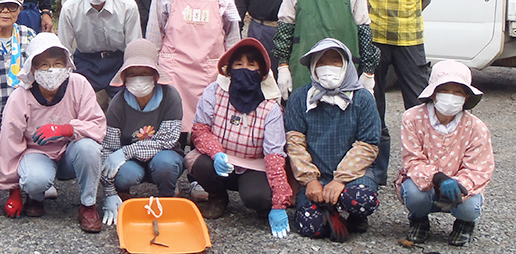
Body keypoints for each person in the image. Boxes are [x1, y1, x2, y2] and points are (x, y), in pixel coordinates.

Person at [348, 0, 438, 186]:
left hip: (410, 41)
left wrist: (404, 17)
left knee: (420, 105)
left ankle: (422, 170)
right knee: (372, 106)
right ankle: (377, 170)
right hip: (370, 40)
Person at [0, 33, 106, 233]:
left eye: (57, 63)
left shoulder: (78, 84)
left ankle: (88, 205)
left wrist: (66, 129)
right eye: (44, 65)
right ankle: (35, 196)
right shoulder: (20, 96)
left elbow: (97, 126)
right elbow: (9, 144)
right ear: (33, 69)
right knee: (34, 179)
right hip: (37, 154)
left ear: (67, 65)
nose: (52, 70)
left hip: (69, 153)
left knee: (90, 148)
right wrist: (13, 191)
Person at [185, 38, 290, 238]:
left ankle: (262, 204)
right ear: (229, 69)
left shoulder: (271, 108)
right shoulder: (214, 92)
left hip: (253, 165)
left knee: (259, 197)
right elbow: (200, 130)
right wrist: (216, 153)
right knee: (201, 165)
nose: (245, 69)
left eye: (252, 65)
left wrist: (279, 203)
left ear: (261, 72)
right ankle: (217, 197)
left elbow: (275, 156)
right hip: (220, 161)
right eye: (238, 64)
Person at [285, 38, 381, 242]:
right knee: (310, 227)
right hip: (315, 178)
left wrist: (340, 180)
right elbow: (294, 143)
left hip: (353, 176)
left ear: (346, 65)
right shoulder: (300, 98)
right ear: (312, 66)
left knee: (361, 200)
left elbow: (368, 145)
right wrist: (310, 180)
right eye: (321, 62)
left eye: (335, 61)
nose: (328, 67)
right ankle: (329, 212)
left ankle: (356, 216)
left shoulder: (363, 99)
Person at [145, 0, 240, 134]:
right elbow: (154, 35)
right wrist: (151, 70)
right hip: (175, 70)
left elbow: (232, 32)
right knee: (174, 125)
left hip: (211, 69)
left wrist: (234, 67)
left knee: (210, 126)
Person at [397, 60, 494, 247]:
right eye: (445, 90)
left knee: (470, 207)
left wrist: (459, 185)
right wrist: (439, 178)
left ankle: (465, 222)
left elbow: (480, 169)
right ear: (433, 94)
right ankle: (419, 219)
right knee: (414, 195)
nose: (451, 96)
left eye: (458, 92)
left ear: (466, 97)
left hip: (458, 184)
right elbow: (412, 159)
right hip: (425, 182)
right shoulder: (412, 118)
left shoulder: (477, 127)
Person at [100, 39, 184, 227]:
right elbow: (109, 149)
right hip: (131, 163)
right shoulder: (117, 104)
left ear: (155, 75)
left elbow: (167, 140)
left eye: (144, 73)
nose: (138, 79)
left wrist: (127, 151)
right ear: (124, 77)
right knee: (123, 174)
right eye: (133, 74)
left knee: (166, 164)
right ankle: (123, 196)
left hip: (163, 156)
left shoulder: (170, 97)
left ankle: (168, 196)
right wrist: (109, 191)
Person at [58, 0, 141, 106]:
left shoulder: (127, 6)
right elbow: (64, 50)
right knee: (79, 105)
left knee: (128, 106)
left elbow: (133, 47)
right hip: (86, 63)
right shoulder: (70, 8)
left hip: (119, 61)